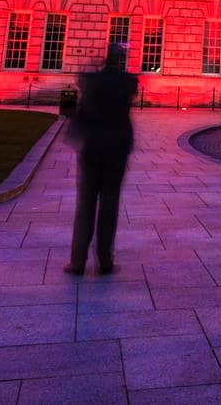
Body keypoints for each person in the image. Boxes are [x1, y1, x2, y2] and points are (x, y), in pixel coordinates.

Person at [64, 43, 138, 275]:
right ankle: (105, 260)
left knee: (85, 205)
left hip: (92, 148)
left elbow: (82, 84)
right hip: (116, 149)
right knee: (110, 204)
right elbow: (131, 91)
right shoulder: (128, 82)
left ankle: (77, 262)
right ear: (121, 60)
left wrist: (93, 66)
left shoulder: (91, 81)